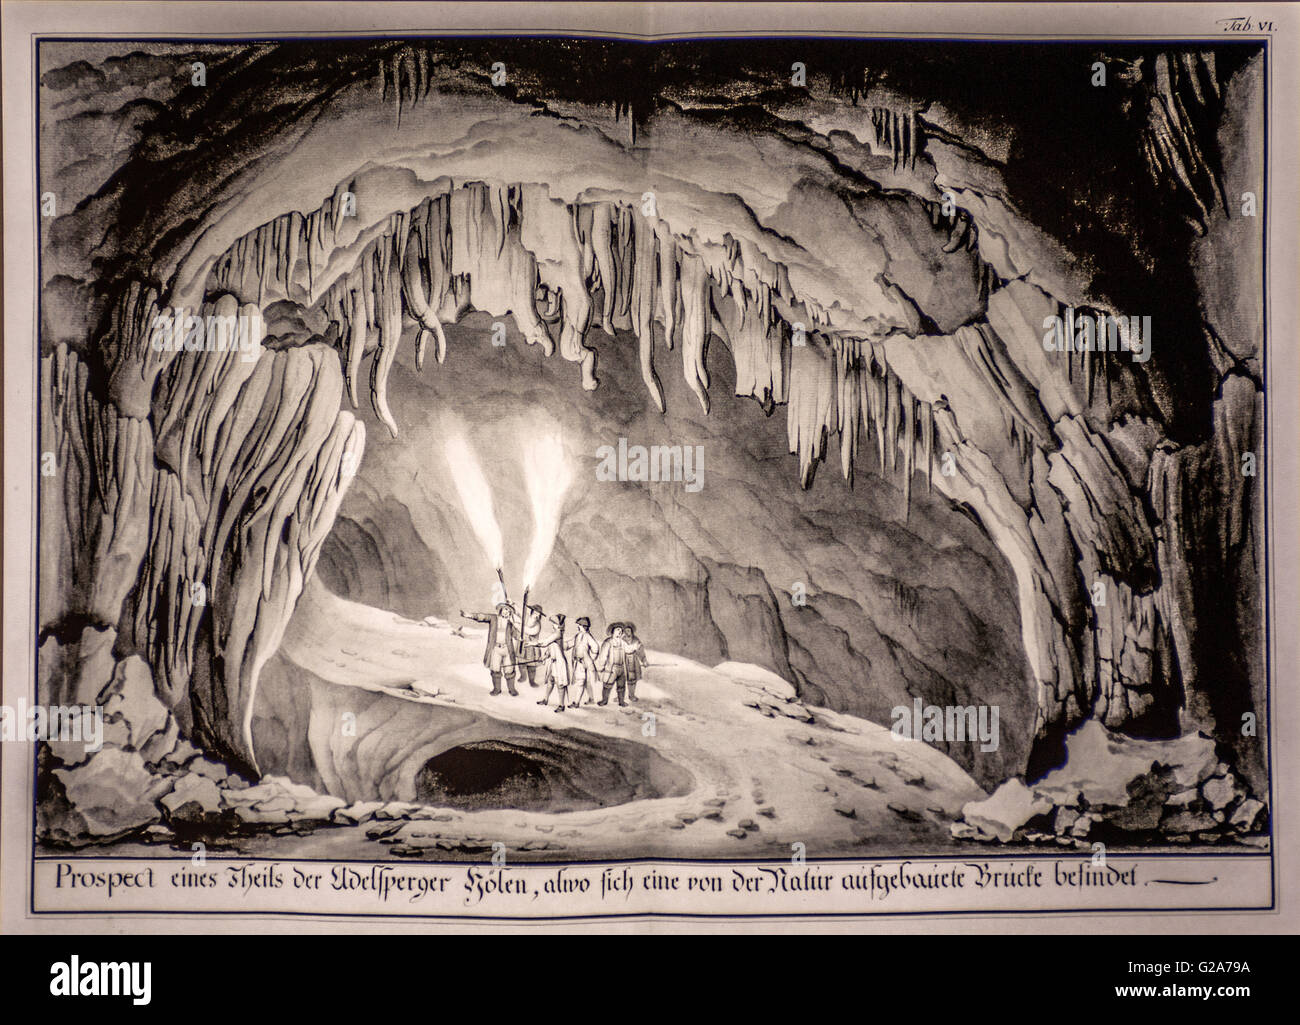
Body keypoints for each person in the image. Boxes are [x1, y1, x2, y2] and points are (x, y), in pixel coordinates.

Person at [460, 601, 520, 696]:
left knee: (509, 670)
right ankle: (497, 689)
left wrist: (518, 632)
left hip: (507, 650)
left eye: (509, 611)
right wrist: (470, 615)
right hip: (495, 648)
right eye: (505, 609)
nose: (506, 612)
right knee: (495, 669)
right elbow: (482, 617)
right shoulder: (493, 618)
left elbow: (516, 635)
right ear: (501, 610)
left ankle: (512, 689)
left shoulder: (511, 622)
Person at [535, 614, 571, 712]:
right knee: (550, 680)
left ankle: (561, 705)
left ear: (559, 625)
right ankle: (545, 699)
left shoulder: (558, 634)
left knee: (560, 684)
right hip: (553, 663)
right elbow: (550, 648)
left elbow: (545, 642)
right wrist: (545, 656)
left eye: (554, 623)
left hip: (559, 663)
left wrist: (533, 643)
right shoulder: (554, 634)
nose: (552, 625)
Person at [566, 616, 600, 707]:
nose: (578, 626)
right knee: (585, 682)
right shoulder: (578, 635)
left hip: (583, 664)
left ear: (583, 626)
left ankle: (576, 703)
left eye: (579, 625)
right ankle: (591, 699)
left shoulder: (587, 636)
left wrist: (590, 660)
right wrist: (561, 644)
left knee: (581, 682)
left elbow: (595, 648)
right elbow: (570, 643)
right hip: (578, 663)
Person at [596, 623, 631, 707]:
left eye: (621, 630)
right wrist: (601, 667)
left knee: (621, 686)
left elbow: (628, 650)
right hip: (612, 668)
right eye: (617, 630)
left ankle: (621, 701)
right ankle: (604, 700)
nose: (619, 632)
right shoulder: (608, 642)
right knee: (607, 685)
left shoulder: (622, 642)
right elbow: (603, 656)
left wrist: (634, 647)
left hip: (621, 668)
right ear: (613, 631)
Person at [516, 603, 546, 687]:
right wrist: (513, 604)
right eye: (535, 613)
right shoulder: (526, 617)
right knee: (521, 662)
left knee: (531, 665)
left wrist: (519, 627)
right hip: (523, 643)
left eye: (538, 614)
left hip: (532, 646)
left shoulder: (537, 624)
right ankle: (523, 676)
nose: (536, 615)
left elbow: (530, 631)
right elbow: (519, 611)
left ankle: (532, 681)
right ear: (532, 612)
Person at [622, 622, 649, 701]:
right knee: (621, 678)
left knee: (632, 679)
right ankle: (620, 696)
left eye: (629, 630)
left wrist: (644, 660)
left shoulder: (636, 640)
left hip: (633, 660)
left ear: (632, 631)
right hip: (623, 659)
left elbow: (641, 651)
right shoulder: (621, 639)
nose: (627, 632)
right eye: (626, 631)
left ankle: (631, 695)